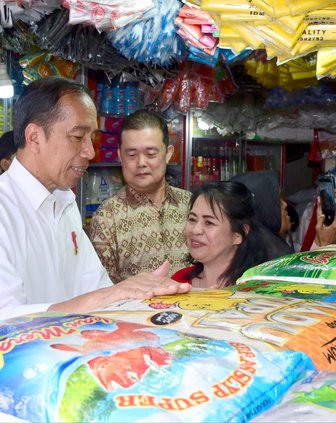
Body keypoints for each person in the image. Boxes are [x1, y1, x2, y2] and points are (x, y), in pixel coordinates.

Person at [0, 76, 190, 321]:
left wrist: (128, 293)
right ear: (35, 137)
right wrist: (105, 296)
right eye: (78, 137)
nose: (90, 151)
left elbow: (94, 288)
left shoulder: (65, 205)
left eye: (92, 139)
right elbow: (5, 317)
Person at [89, 109, 192, 283]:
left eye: (151, 154)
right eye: (131, 154)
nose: (141, 163)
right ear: (120, 156)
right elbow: (103, 290)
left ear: (167, 154)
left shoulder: (190, 204)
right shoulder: (107, 217)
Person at [171, 181, 277, 288]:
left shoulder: (259, 289)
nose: (195, 230)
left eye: (209, 222)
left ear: (238, 235)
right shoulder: (179, 282)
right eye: (192, 219)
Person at [231, 170, 336, 252]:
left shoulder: (273, 248)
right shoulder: (264, 259)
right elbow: (299, 284)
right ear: (264, 208)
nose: (284, 204)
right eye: (277, 200)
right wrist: (324, 244)